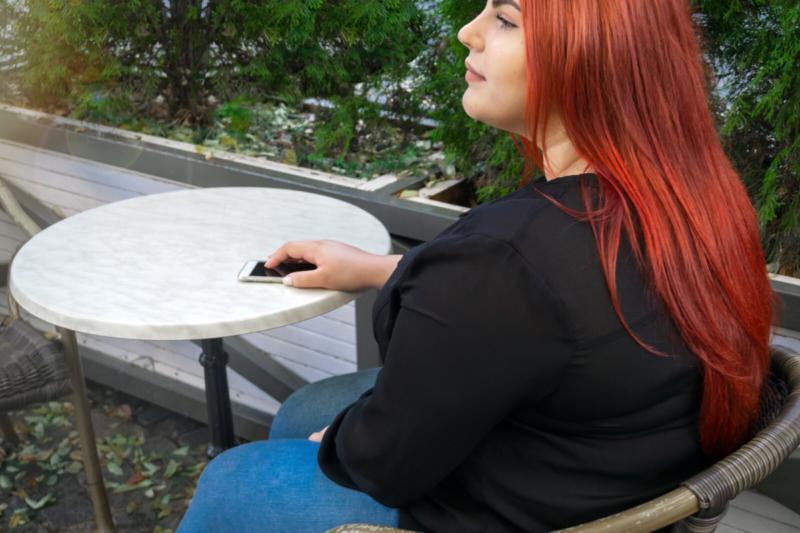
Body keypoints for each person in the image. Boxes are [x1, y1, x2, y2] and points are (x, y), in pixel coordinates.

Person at [176, 0, 778, 531]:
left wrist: (338, 443)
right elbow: (557, 309)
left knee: (232, 478)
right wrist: (378, 268)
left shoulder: (507, 258)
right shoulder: (691, 199)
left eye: (506, 18)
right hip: (605, 471)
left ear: (594, 57)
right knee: (302, 412)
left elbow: (383, 462)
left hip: (511, 508)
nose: (468, 31)